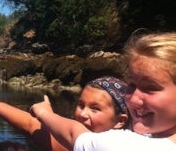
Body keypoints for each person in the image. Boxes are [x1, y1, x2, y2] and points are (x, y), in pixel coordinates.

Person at [29, 32, 176, 150]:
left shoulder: (124, 145)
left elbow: (73, 134)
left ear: (121, 120)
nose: (133, 99)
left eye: (150, 88)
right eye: (131, 84)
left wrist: (44, 113)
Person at [0, 76, 129, 151]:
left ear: (120, 121)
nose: (82, 114)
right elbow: (31, 125)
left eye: (95, 109)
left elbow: (32, 124)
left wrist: (45, 114)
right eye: (81, 105)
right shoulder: (71, 146)